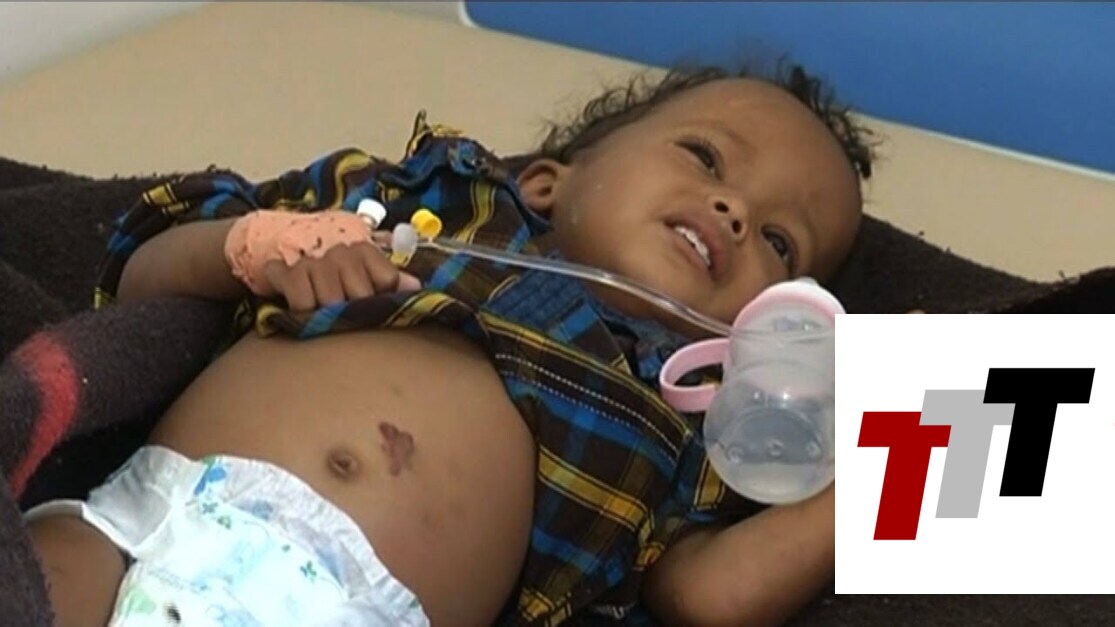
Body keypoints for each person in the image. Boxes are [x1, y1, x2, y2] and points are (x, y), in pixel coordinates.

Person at [25, 62, 873, 627]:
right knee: (39, 582)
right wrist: (250, 247)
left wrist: (892, 429)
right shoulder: (422, 203)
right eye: (705, 157)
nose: (733, 211)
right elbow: (141, 277)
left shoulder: (681, 421)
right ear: (548, 178)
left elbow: (711, 593)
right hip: (140, 521)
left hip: (357, 611)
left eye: (780, 241)